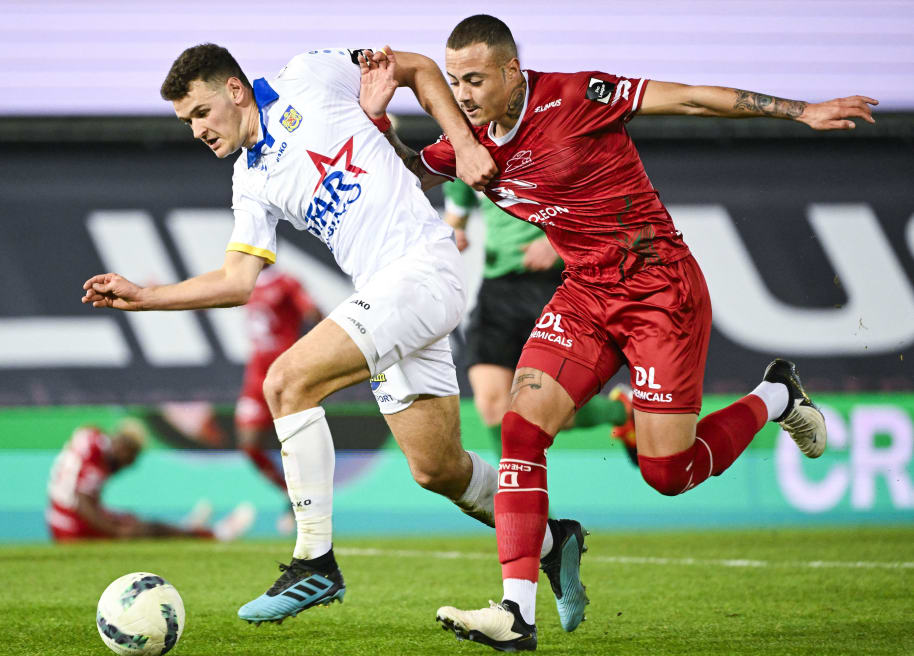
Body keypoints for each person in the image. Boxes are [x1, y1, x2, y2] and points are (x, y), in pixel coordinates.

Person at [358, 15, 875, 650]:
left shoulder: (578, 96)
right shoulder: (470, 142)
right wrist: (378, 119)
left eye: (474, 79)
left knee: (667, 473)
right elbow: (406, 179)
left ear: (512, 72)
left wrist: (800, 111)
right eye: (454, 81)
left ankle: (777, 397)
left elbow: (686, 97)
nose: (461, 94)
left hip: (661, 290)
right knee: (521, 426)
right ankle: (517, 612)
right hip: (586, 292)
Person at [81, 43, 587, 628]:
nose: (196, 130)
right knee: (437, 469)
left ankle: (313, 561)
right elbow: (238, 280)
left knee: (286, 382)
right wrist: (147, 297)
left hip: (421, 268)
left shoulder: (311, 74)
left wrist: (468, 143)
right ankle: (554, 541)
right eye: (186, 121)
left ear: (235, 90)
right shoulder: (250, 181)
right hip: (389, 292)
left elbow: (418, 66)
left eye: (200, 112)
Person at [443, 179, 638, 464]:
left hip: (558, 285)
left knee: (545, 409)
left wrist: (556, 243)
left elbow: (612, 208)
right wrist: (453, 233)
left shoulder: (555, 141)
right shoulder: (467, 147)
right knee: (493, 406)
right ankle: (511, 505)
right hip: (496, 289)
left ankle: (620, 412)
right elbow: (456, 213)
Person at [45, 418, 255, 542]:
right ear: (124, 448)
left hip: (59, 519)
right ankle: (214, 534)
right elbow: (81, 501)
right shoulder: (97, 455)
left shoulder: (93, 442)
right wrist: (117, 533)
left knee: (134, 521)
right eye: (132, 458)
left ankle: (188, 529)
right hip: (72, 528)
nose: (129, 466)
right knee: (141, 529)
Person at [236, 267, 322, 533]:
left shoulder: (287, 282)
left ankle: (306, 503)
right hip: (255, 377)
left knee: (295, 439)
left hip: (284, 372)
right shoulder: (243, 282)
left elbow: (313, 312)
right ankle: (290, 494)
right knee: (249, 445)